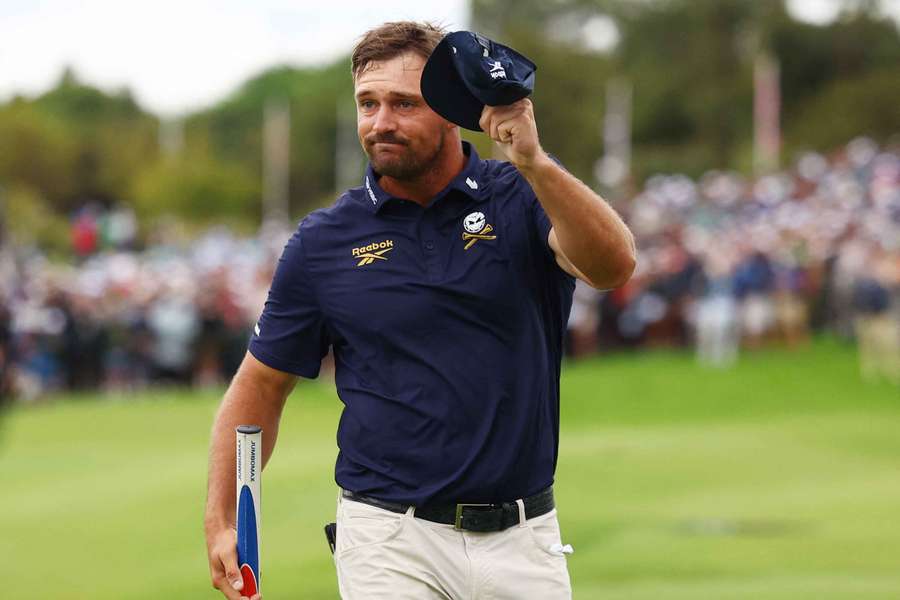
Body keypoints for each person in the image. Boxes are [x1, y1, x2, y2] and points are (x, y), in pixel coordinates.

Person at [204, 21, 635, 600]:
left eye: (404, 103)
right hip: (389, 538)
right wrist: (222, 519)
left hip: (524, 535)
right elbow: (259, 385)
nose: (380, 122)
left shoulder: (521, 196)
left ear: (452, 109)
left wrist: (535, 163)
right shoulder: (323, 241)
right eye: (368, 103)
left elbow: (612, 267)